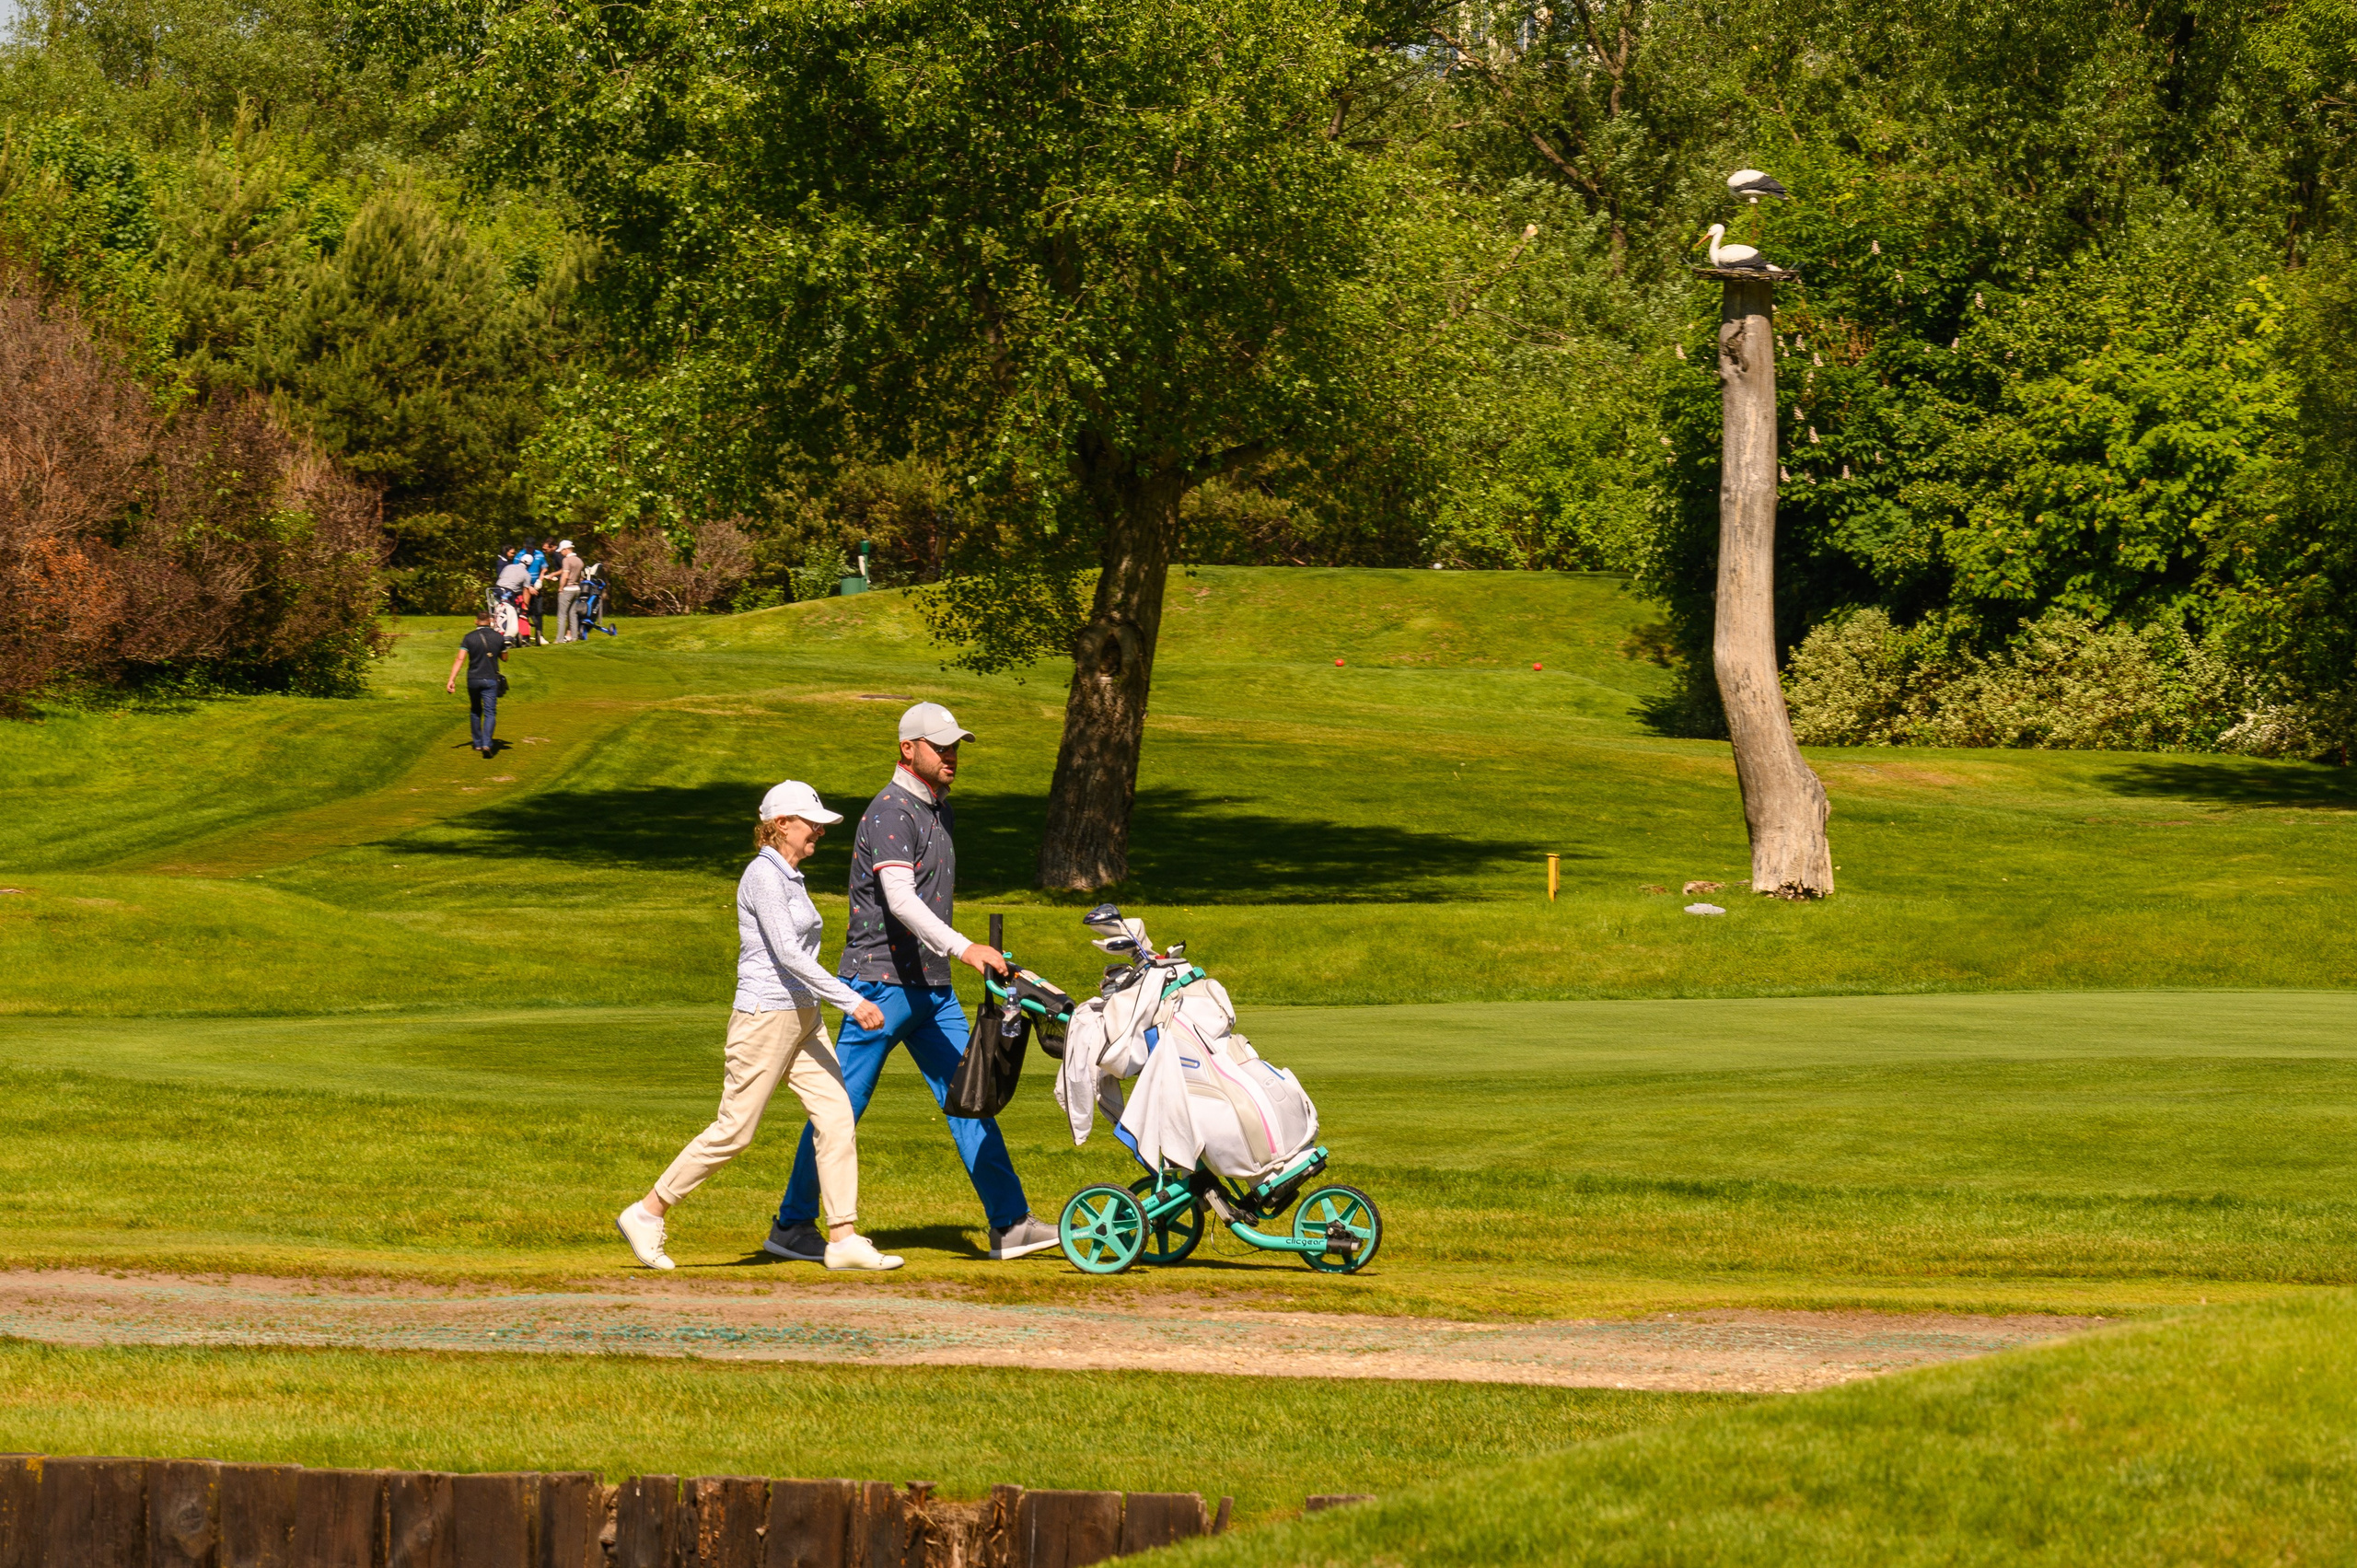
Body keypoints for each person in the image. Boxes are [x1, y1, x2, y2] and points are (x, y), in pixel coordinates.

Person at [764, 703, 1062, 1262]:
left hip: (932, 987)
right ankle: (792, 1225)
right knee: (840, 1109)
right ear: (908, 749)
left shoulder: (938, 810)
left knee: (969, 1098)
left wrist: (952, 957)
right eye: (939, 745)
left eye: (954, 746)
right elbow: (900, 901)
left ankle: (1011, 1223)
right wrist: (966, 946)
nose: (950, 756)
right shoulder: (889, 812)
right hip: (879, 985)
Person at [617, 782, 903, 1272]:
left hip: (803, 1019)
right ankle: (647, 1212)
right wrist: (853, 1001)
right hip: (765, 1017)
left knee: (836, 1118)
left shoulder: (791, 876)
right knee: (735, 1131)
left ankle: (843, 1238)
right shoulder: (763, 876)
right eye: (810, 823)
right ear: (781, 825)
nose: (818, 831)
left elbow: (799, 956)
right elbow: (787, 955)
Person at [444, 610, 507, 756]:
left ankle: (477, 743)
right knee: (490, 712)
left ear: (475, 621)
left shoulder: (469, 638)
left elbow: (460, 659)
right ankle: (486, 743)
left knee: (475, 710)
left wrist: (451, 679)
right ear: (491, 621)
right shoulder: (498, 637)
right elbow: (504, 658)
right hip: (490, 678)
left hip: (473, 679)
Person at [493, 550, 534, 645]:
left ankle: (497, 631)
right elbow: (526, 591)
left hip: (496, 589)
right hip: (507, 593)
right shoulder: (526, 575)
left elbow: (501, 578)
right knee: (510, 612)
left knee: (497, 611)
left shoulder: (508, 566)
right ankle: (507, 636)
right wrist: (526, 606)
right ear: (529, 565)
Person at [556, 540, 586, 643]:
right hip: (577, 589)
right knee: (573, 614)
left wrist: (560, 587)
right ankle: (574, 638)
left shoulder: (566, 560)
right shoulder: (579, 561)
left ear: (566, 549)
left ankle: (559, 639)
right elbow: (581, 577)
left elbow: (565, 576)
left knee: (562, 615)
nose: (561, 553)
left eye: (562, 551)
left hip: (567, 589)